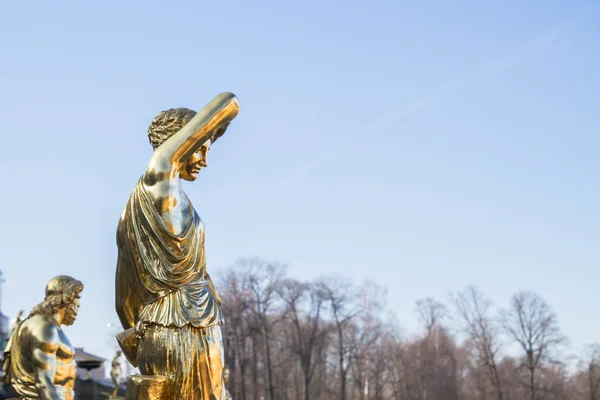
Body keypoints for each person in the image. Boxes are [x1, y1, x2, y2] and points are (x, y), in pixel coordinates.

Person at [115, 92, 239, 400]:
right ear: (182, 141)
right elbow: (229, 103)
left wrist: (142, 337)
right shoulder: (160, 178)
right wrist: (210, 128)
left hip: (166, 326)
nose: (205, 161)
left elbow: (123, 298)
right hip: (185, 327)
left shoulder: (134, 212)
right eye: (200, 148)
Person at [3, 276, 83, 400]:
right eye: (77, 297)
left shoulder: (49, 327)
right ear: (66, 297)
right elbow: (44, 383)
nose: (79, 304)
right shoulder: (45, 328)